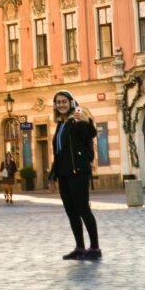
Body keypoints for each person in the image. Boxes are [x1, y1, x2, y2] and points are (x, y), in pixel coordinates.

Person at [47, 91, 101, 261]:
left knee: (83, 209)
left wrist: (87, 121)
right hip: (64, 174)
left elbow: (90, 134)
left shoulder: (76, 118)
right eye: (58, 102)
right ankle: (79, 247)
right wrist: (52, 175)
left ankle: (94, 248)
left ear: (71, 102)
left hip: (78, 171)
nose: (61, 104)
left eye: (64, 101)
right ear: (55, 106)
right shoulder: (60, 124)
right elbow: (59, 153)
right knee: (71, 212)